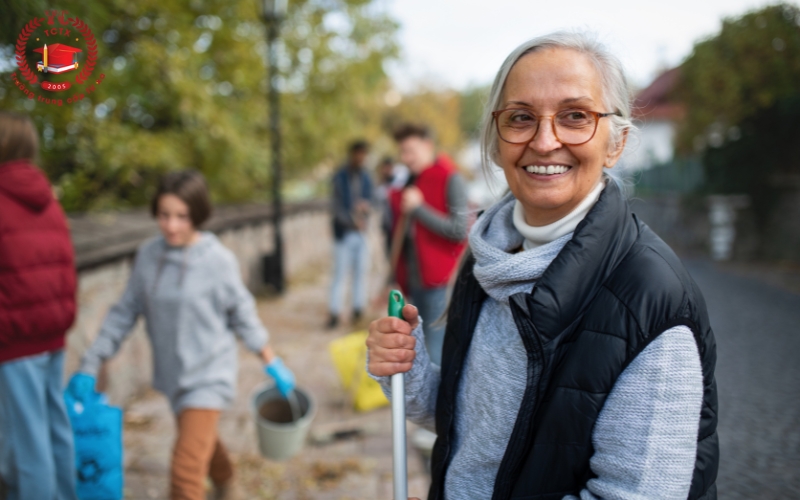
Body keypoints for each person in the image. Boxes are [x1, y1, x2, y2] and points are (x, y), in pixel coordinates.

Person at [368, 32, 718, 500]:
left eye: (576, 116)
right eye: (520, 118)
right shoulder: (487, 258)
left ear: (616, 144)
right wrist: (405, 371)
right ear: (496, 143)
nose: (545, 140)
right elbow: (474, 421)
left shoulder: (649, 298)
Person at [66, 170, 295, 500]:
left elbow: (243, 315)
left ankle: (219, 485)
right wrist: (91, 362)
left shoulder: (218, 261)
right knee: (201, 439)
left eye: (181, 217)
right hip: (174, 376)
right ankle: (228, 482)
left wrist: (272, 362)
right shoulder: (148, 256)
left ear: (198, 215)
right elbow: (123, 314)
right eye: (164, 215)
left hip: (209, 376)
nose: (171, 225)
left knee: (184, 475)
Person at [0, 112, 79, 500]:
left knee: (26, 445)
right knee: (55, 430)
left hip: (15, 343)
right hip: (51, 335)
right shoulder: (48, 200)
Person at [388, 124, 468, 367]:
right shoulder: (411, 181)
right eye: (402, 152)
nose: (406, 158)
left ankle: (436, 404)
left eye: (410, 151)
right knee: (418, 342)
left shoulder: (451, 177)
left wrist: (418, 209)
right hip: (414, 279)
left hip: (440, 281)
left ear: (428, 146)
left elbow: (459, 230)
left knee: (435, 350)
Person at [328, 140, 373, 329]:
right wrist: (350, 221)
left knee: (361, 272)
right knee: (340, 274)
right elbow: (335, 207)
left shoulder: (366, 178)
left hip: (361, 234)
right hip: (344, 234)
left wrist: (366, 209)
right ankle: (335, 311)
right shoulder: (339, 177)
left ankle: (357, 309)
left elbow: (373, 201)